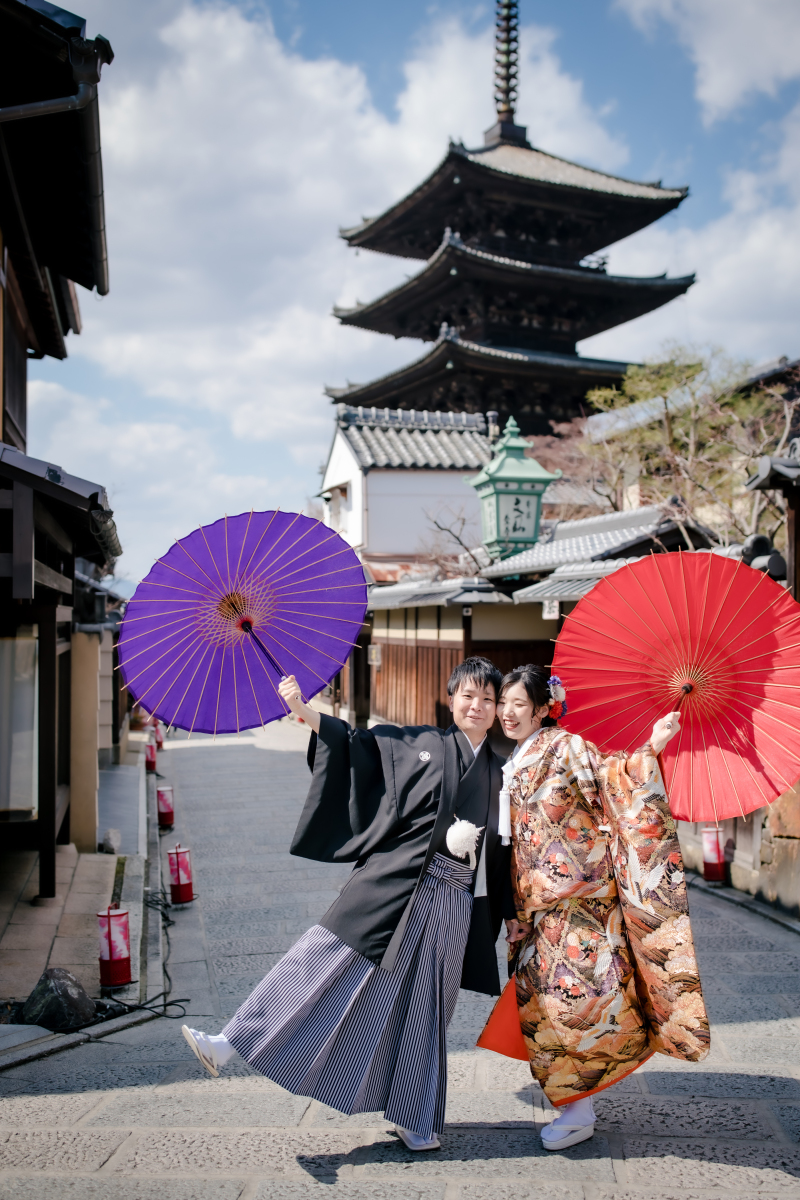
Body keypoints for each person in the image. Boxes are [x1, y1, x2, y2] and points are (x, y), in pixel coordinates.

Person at [182, 656, 515, 1151]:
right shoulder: (420, 744)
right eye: (468, 695)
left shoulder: (499, 768)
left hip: (451, 899)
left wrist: (510, 915)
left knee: (426, 1009)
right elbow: (355, 744)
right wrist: (302, 708)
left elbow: (509, 844)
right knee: (319, 959)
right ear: (451, 700)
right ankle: (230, 1042)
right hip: (392, 884)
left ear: (496, 710)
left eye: (488, 699)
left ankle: (415, 1116)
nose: (477, 705)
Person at [479, 665, 709, 1151]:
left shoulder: (567, 746)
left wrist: (653, 745)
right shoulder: (516, 757)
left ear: (544, 709)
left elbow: (615, 777)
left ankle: (578, 1110)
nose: (507, 713)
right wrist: (514, 911)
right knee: (543, 1006)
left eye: (519, 704)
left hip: (577, 905)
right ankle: (572, 1103)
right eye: (503, 704)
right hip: (536, 907)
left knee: (574, 1005)